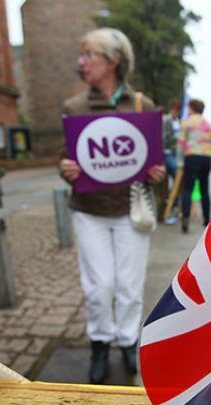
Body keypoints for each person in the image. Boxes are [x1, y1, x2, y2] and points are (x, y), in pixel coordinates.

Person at [59, 28, 165, 384]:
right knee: (98, 285)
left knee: (130, 287)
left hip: (130, 211)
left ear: (114, 60)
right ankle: (100, 343)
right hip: (90, 211)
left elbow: (156, 165)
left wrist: (157, 173)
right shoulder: (74, 108)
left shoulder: (142, 106)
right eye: (81, 55)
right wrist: (66, 169)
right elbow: (68, 160)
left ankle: (127, 341)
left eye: (89, 55)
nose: (81, 62)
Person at [178, 98, 211, 233]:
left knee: (188, 188)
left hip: (192, 157)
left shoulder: (186, 122)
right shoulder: (208, 124)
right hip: (206, 158)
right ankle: (207, 219)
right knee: (204, 189)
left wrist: (180, 161)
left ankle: (185, 218)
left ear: (191, 108)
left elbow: (181, 142)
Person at [163, 99, 181, 224]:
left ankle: (174, 206)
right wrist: (177, 145)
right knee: (176, 175)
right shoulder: (166, 120)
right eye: (174, 110)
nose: (176, 112)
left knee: (179, 180)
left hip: (177, 154)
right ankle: (171, 207)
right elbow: (165, 138)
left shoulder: (178, 122)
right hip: (168, 153)